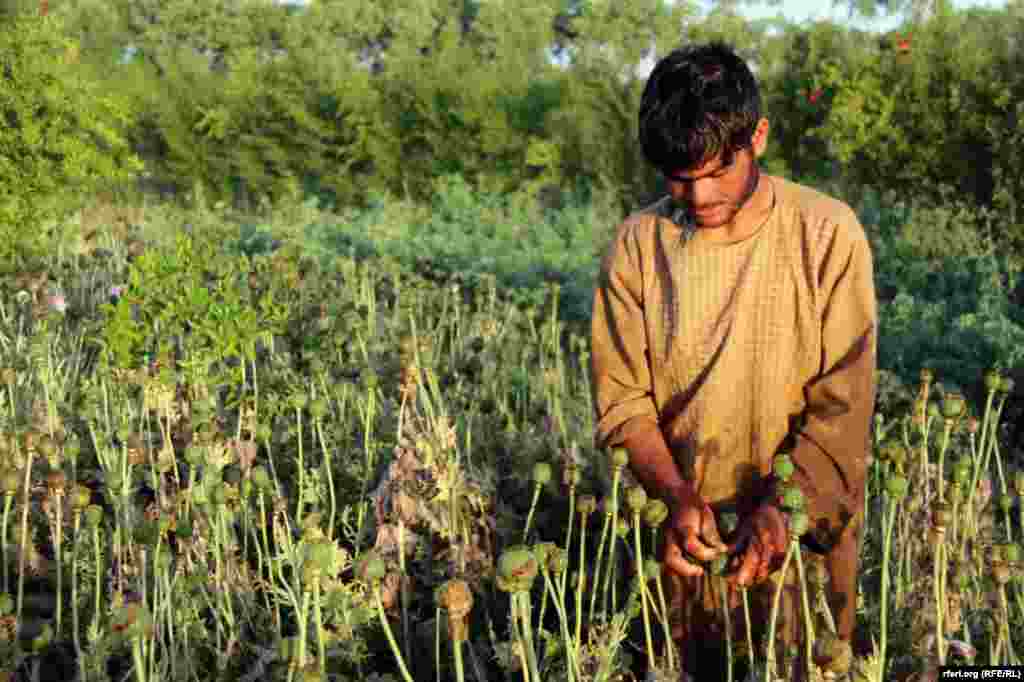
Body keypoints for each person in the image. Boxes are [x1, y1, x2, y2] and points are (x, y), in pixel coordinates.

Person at [589, 42, 877, 681]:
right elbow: (624, 403)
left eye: (717, 171)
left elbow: (843, 410)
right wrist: (675, 494)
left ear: (761, 137)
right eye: (679, 178)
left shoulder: (827, 233)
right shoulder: (639, 245)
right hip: (686, 546)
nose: (698, 196)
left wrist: (781, 509)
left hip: (801, 541)